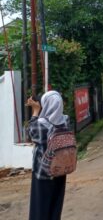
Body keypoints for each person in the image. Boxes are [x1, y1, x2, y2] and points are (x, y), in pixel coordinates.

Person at [26, 91, 69, 220]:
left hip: (43, 172)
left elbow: (31, 133)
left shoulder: (41, 124)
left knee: (39, 207)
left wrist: (35, 111)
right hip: (60, 170)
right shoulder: (65, 121)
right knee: (55, 205)